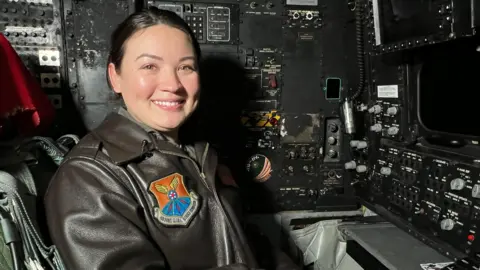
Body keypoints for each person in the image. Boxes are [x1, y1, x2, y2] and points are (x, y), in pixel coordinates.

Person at [44, 7, 301, 270]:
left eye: (185, 67)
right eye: (149, 66)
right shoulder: (89, 176)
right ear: (115, 76)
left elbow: (246, 242)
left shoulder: (200, 153)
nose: (173, 84)